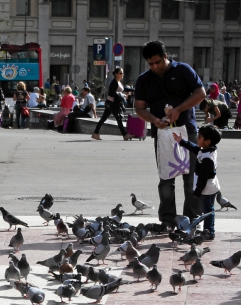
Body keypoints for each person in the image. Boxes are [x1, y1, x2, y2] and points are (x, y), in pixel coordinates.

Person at [134, 40, 205, 226]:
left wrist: (179, 109)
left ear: (166, 56)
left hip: (187, 131)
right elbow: (140, 109)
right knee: (166, 178)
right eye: (150, 64)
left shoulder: (183, 70)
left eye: (157, 62)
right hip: (162, 133)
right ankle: (168, 219)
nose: (155, 67)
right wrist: (153, 120)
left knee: (191, 179)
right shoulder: (144, 80)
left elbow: (200, 93)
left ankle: (191, 219)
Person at [172, 124, 221, 240]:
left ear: (207, 141)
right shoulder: (206, 150)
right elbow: (195, 149)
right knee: (207, 210)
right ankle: (207, 230)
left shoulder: (207, 159)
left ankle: (209, 231)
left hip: (208, 189)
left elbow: (203, 178)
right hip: (209, 187)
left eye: (199, 137)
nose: (197, 138)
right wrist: (182, 142)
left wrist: (197, 192)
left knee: (208, 211)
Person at [92, 67, 133, 140]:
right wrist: (121, 95)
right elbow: (111, 92)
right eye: (120, 73)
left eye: (123, 73)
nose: (122, 74)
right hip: (112, 103)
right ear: (116, 74)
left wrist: (133, 89)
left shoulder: (119, 82)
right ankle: (125, 135)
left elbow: (124, 89)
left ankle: (95, 133)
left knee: (104, 118)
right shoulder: (114, 82)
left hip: (111, 103)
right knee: (119, 118)